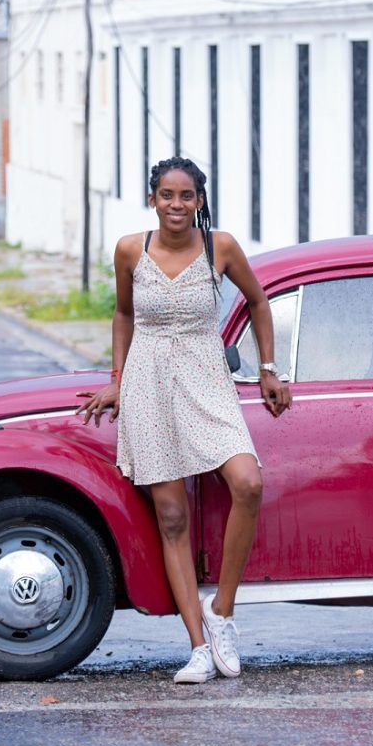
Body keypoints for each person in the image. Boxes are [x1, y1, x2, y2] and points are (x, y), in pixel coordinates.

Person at [77, 156, 291, 684]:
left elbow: (260, 303)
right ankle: (197, 646)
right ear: (153, 198)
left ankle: (222, 613)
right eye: (167, 195)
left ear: (199, 200)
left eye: (187, 195)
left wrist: (267, 370)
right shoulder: (131, 249)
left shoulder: (221, 247)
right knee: (172, 518)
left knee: (247, 482)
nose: (177, 205)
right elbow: (123, 314)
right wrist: (117, 380)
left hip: (206, 379)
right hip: (148, 383)